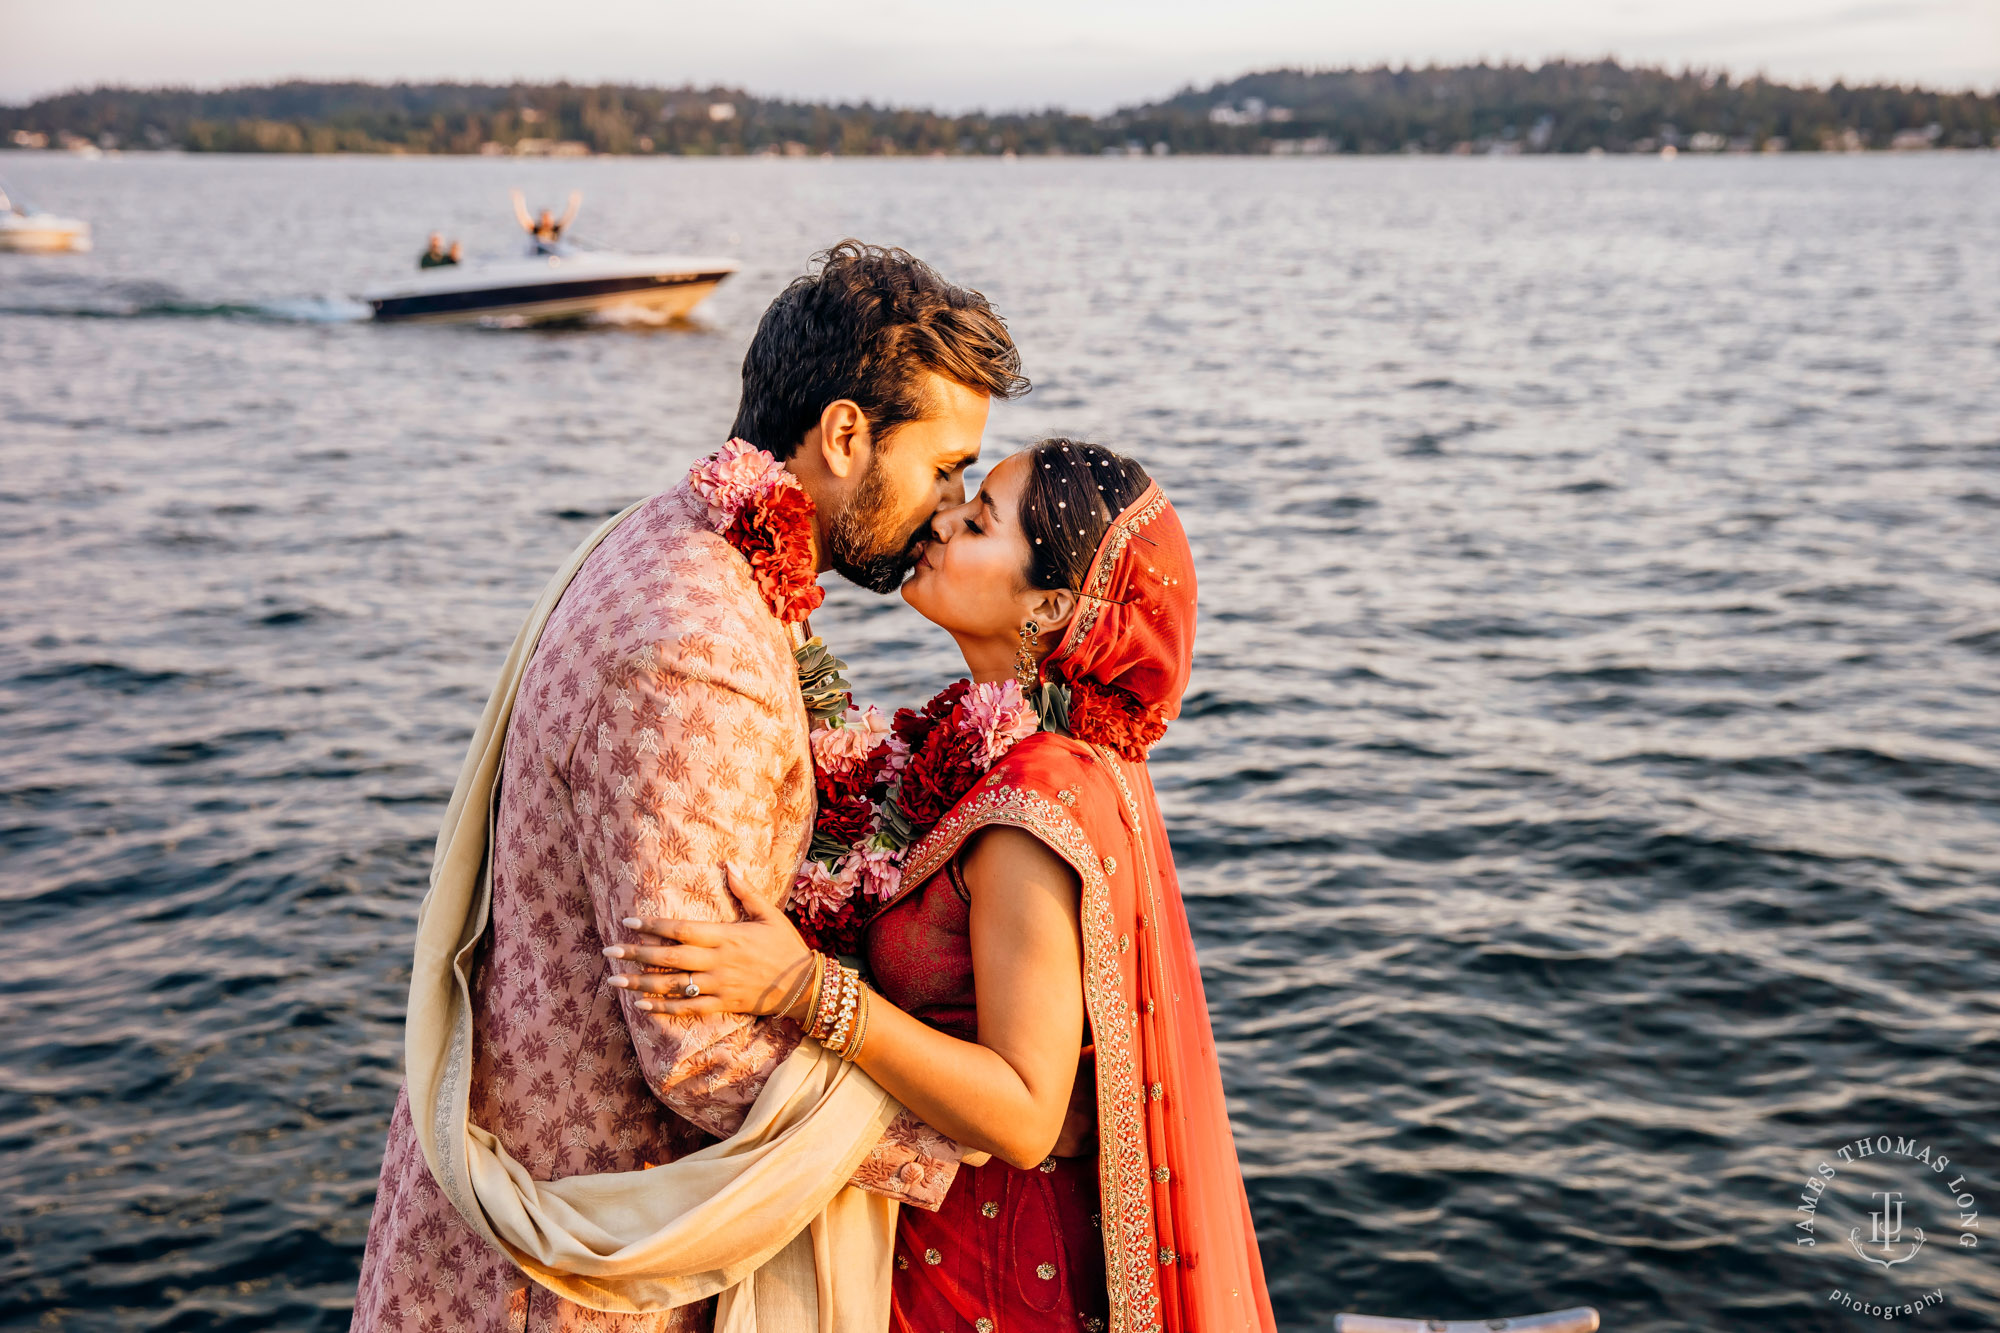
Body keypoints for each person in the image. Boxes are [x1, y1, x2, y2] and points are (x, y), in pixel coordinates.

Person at [349, 241, 1028, 1333]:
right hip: (581, 1273)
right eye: (945, 466)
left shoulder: (678, 540)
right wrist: (987, 1134)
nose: (950, 510)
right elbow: (699, 1049)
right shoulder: (695, 648)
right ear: (845, 434)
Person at [614, 440, 1279, 1333]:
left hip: (996, 1278)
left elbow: (1026, 1111)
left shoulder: (1033, 804)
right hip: (945, 1240)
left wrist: (803, 990)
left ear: (1050, 604)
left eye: (980, 521)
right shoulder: (981, 748)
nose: (941, 520)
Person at [512, 188, 580, 253]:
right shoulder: (536, 229)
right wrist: (519, 202)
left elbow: (568, 217)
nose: (547, 220)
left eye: (548, 217)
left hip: (554, 253)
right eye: (544, 217)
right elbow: (523, 217)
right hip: (540, 252)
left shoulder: (556, 229)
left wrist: (573, 204)